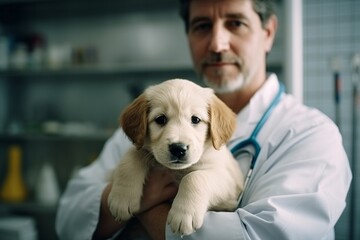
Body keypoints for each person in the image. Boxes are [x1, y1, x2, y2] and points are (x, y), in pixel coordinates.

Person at [56, 0, 352, 239]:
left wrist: (146, 208)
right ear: (188, 36)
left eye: (236, 23)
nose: (217, 43)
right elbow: (69, 217)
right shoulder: (144, 128)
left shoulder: (312, 134)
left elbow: (269, 234)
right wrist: (132, 183)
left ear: (269, 32)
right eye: (202, 26)